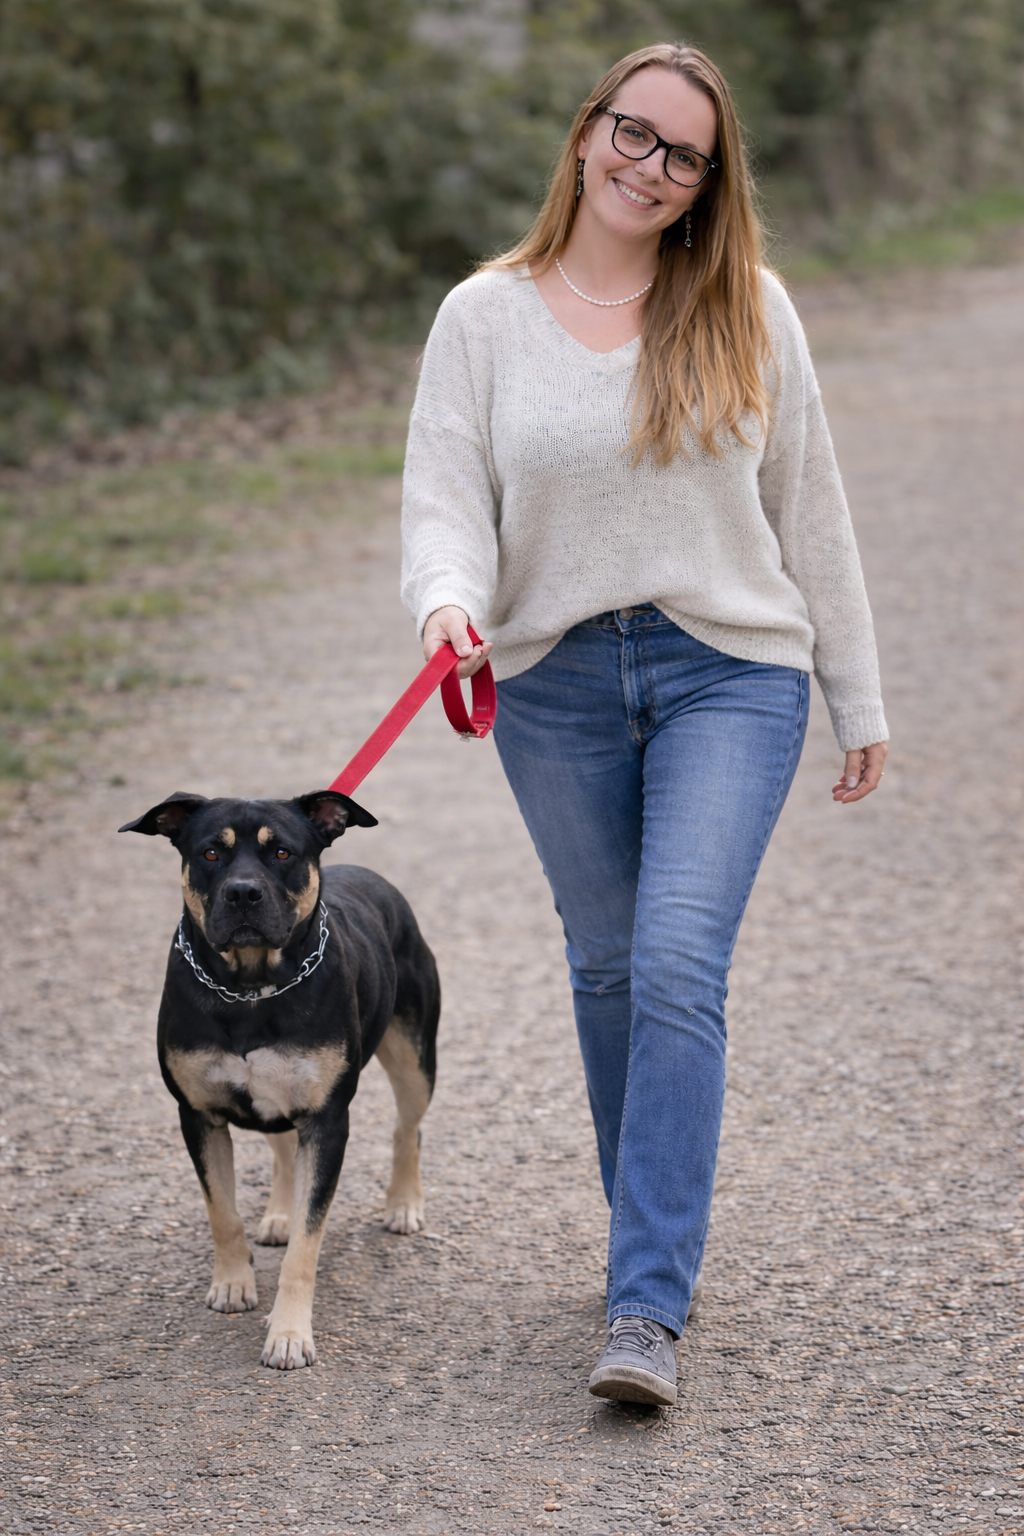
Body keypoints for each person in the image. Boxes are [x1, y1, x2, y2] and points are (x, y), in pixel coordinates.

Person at [400, 41, 888, 1407]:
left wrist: (858, 690)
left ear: (707, 182)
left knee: (676, 961)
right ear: (584, 134)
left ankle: (644, 1304)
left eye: (684, 154)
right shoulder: (482, 317)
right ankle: (648, 1233)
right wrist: (446, 604)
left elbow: (812, 506)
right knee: (609, 965)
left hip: (729, 668)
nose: (651, 167)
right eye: (634, 132)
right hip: (550, 683)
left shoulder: (748, 308)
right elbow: (443, 498)